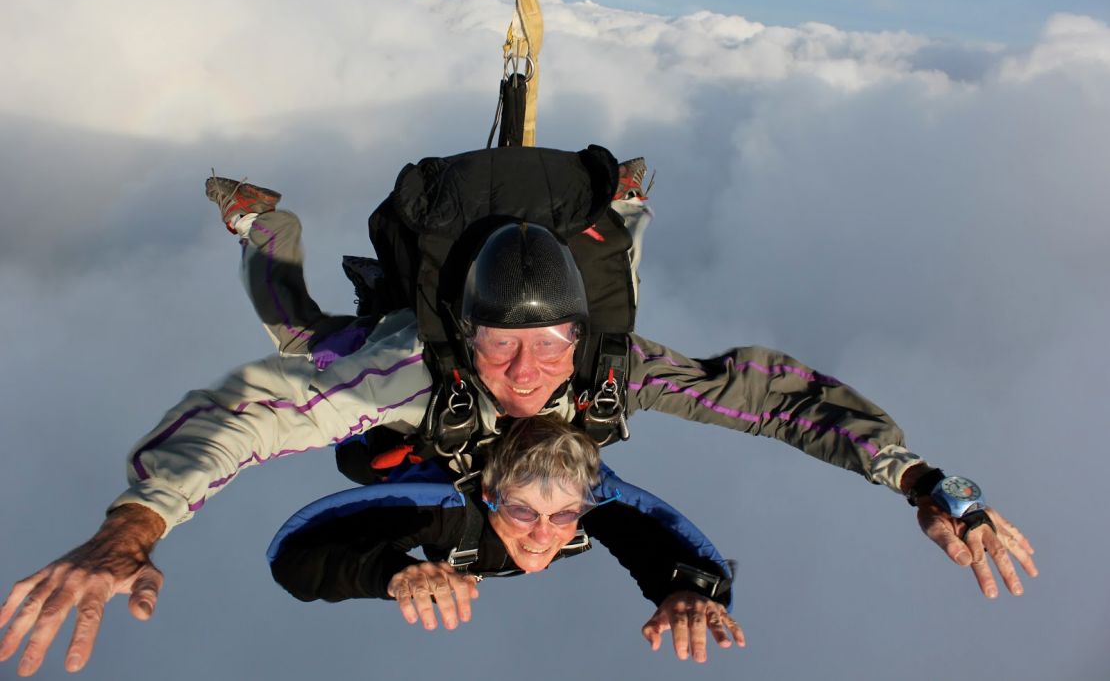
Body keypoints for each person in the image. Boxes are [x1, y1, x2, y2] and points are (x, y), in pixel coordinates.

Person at [0, 148, 1037, 676]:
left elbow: (771, 396)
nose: (528, 369)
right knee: (300, 338)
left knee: (356, 358)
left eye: (553, 347)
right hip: (394, 390)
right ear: (465, 327)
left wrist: (924, 481)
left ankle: (617, 215)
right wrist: (131, 524)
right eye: (502, 343)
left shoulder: (606, 367)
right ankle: (266, 226)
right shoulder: (415, 366)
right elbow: (249, 419)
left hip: (406, 455)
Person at [268, 415, 743, 662]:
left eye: (562, 515)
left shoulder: (586, 508)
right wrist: (389, 572)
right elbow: (296, 561)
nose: (542, 534)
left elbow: (648, 536)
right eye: (522, 511)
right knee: (358, 461)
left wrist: (684, 591)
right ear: (492, 496)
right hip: (420, 442)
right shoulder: (447, 512)